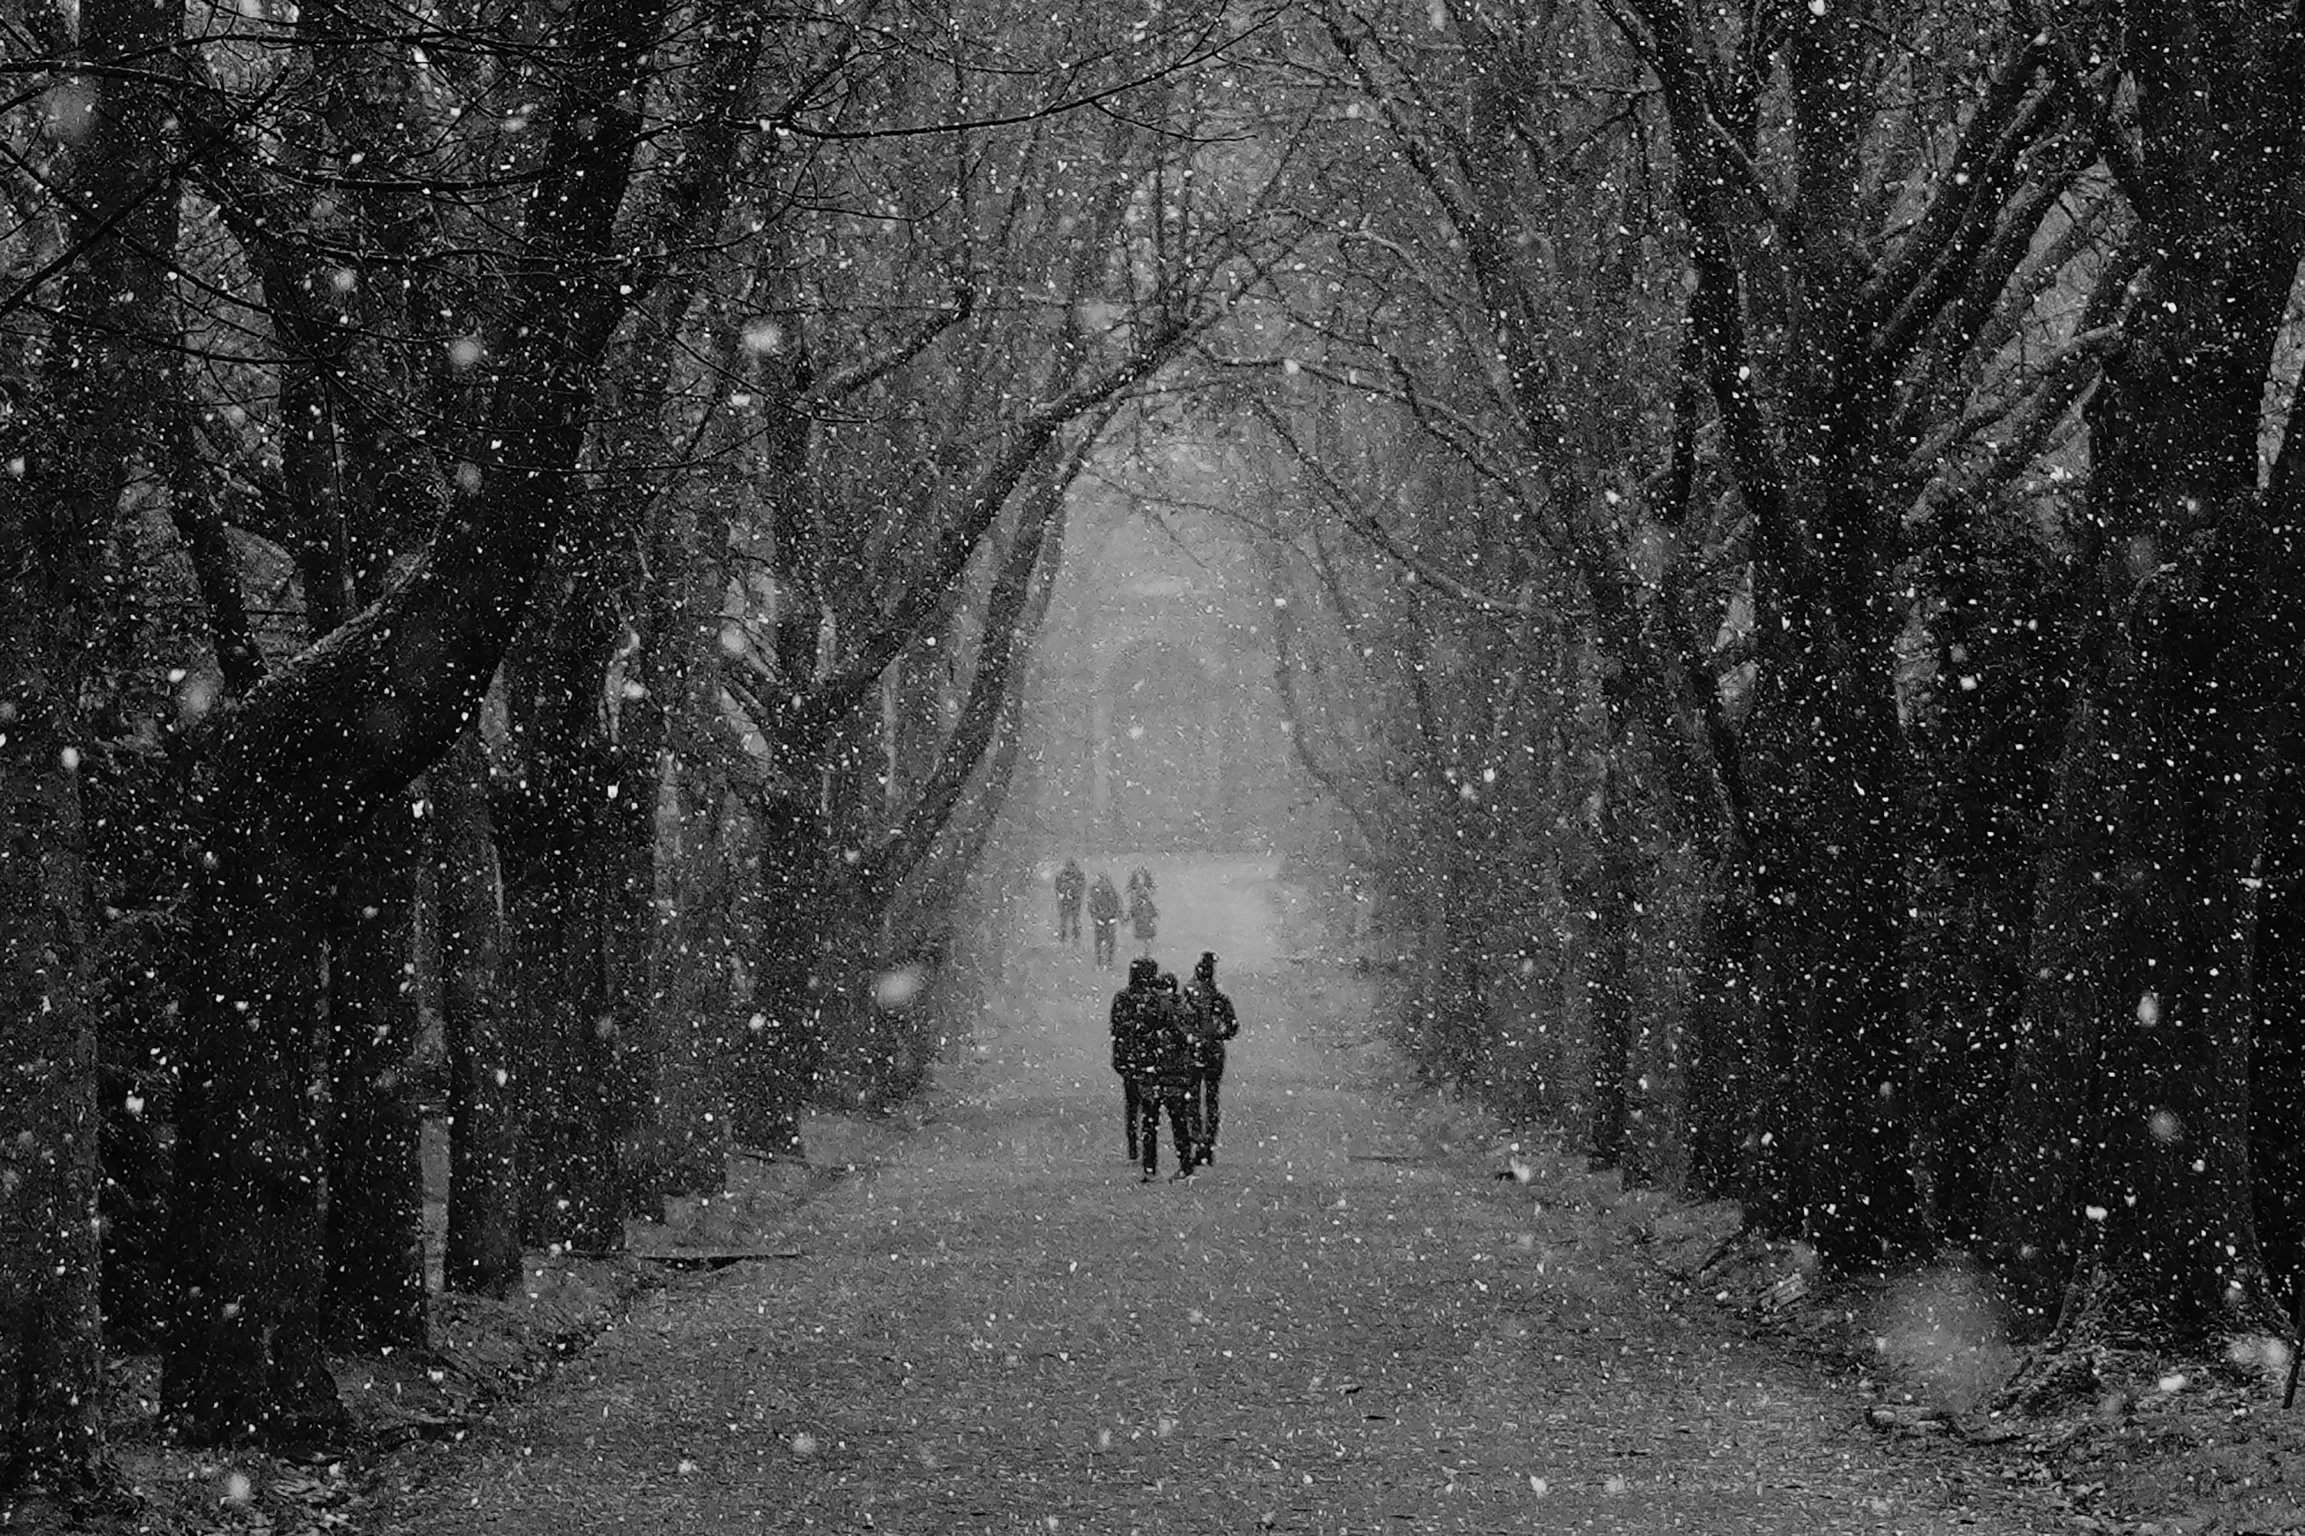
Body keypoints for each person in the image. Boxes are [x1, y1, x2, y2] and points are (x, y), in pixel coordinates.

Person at [1120, 965, 1200, 1182]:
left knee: (1159, 1121)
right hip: (1166, 1073)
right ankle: (1172, 1166)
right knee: (1166, 1121)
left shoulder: (1164, 1010)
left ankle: (1156, 1167)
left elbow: (1141, 1035)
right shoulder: (1179, 1010)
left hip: (1162, 1072)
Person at [1181, 951, 1238, 1168]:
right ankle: (1209, 1144)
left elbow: (1179, 1023)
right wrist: (1218, 1036)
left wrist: (1191, 1038)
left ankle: (1196, 1139)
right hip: (1214, 1052)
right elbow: (1232, 1026)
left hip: (1193, 1051)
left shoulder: (1187, 997)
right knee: (1212, 1098)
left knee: (1192, 1098)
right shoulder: (1220, 999)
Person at [1109, 957, 1160, 1162]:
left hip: (1131, 1056)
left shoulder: (1122, 997)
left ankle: (1133, 1145)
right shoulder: (1154, 999)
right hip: (1148, 1057)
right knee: (1148, 1104)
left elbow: (1116, 1027)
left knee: (1132, 1104)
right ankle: (1147, 1144)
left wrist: (1119, 1056)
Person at [1088, 872, 1122, 967]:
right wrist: (1096, 917)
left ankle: (1109, 961)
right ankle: (1099, 960)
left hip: (1110, 920)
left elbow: (1117, 905)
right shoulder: (1096, 894)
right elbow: (1091, 906)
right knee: (1099, 940)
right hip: (1100, 920)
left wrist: (1114, 916)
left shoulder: (1112, 894)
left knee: (1110, 941)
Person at [1054, 858, 1086, 947]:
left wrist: (1073, 891)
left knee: (1075, 920)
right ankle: (1062, 938)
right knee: (1063, 921)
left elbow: (1081, 887)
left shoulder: (1079, 875)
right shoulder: (1062, 876)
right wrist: (1062, 893)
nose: (1069, 869)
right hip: (1064, 901)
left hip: (1075, 902)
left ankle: (1076, 939)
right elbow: (1057, 887)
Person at [1128, 878, 1158, 958]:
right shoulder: (1140, 904)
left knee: (1146, 938)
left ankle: (1145, 951)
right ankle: (1144, 951)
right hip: (1143, 923)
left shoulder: (1144, 903)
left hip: (1144, 923)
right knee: (1144, 938)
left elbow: (1153, 912)